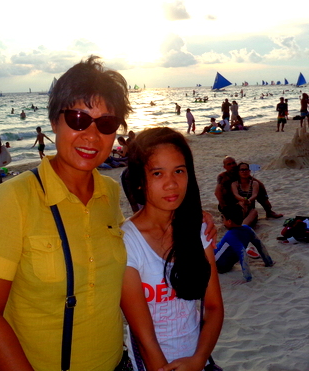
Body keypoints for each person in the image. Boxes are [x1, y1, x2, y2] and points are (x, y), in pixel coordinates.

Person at [0, 56, 135, 370]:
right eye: (77, 119)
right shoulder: (13, 199)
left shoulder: (109, 193)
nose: (91, 135)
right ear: (55, 122)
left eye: (106, 124)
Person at [120, 127, 223, 370]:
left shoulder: (197, 230)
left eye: (179, 171)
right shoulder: (127, 242)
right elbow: (145, 339)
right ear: (138, 182)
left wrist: (198, 359)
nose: (171, 184)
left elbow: (213, 306)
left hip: (198, 359)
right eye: (157, 173)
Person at [214, 205, 274, 282]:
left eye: (223, 219)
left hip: (218, 265)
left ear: (229, 221)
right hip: (225, 263)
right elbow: (260, 245)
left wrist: (247, 277)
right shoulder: (247, 229)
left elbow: (243, 254)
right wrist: (268, 262)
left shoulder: (230, 234)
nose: (223, 222)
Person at [215, 156, 282, 221]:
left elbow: (258, 184)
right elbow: (217, 192)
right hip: (230, 201)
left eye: (233, 163)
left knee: (259, 186)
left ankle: (269, 211)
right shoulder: (223, 176)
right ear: (224, 167)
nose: (232, 165)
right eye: (229, 164)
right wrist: (223, 207)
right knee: (223, 191)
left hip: (244, 200)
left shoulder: (240, 172)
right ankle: (225, 214)